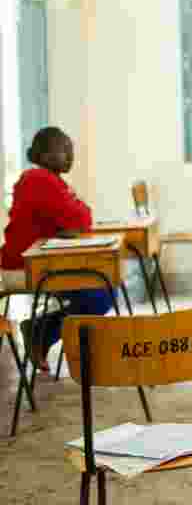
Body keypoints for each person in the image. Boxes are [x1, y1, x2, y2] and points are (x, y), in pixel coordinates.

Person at [2, 127, 114, 372]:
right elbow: (82, 218)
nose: (71, 155)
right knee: (101, 291)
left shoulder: (49, 180)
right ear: (45, 154)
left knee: (104, 287)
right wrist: (75, 214)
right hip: (25, 266)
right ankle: (40, 333)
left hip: (41, 260)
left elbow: (79, 217)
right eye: (65, 149)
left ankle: (39, 331)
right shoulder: (39, 179)